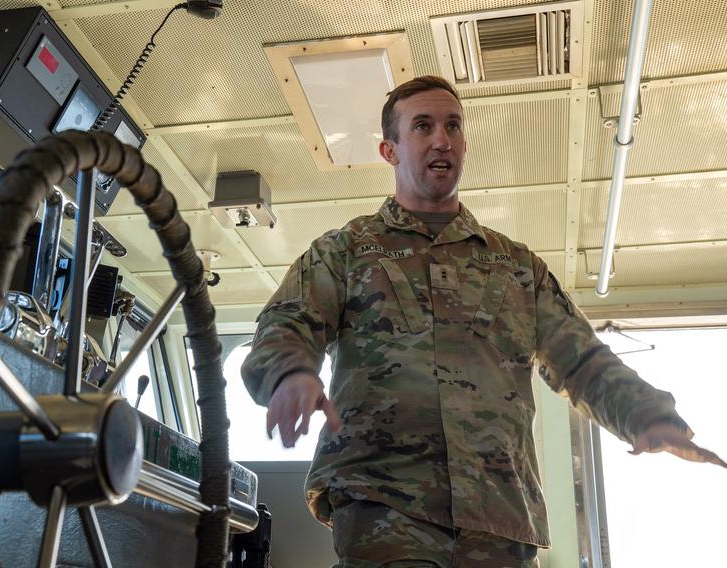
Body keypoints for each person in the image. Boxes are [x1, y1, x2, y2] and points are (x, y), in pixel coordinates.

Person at [240, 76, 725, 568]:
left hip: (500, 517)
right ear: (390, 150)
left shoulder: (516, 266)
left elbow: (582, 361)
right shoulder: (345, 251)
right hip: (387, 511)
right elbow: (287, 322)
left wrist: (645, 414)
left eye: (453, 126)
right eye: (423, 126)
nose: (442, 138)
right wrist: (291, 373)